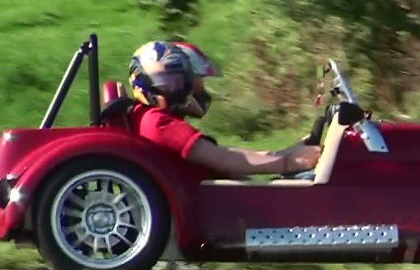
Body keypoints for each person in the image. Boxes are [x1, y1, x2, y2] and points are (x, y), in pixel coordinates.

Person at [127, 40, 323, 177]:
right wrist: (289, 162)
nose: (175, 89)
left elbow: (221, 154)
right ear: (142, 83)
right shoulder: (159, 123)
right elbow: (222, 158)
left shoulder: (147, 117)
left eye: (178, 82)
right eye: (165, 83)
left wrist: (285, 153)